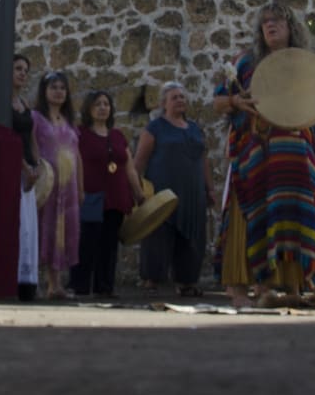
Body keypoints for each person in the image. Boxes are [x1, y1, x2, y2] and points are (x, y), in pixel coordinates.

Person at [213, 3, 315, 309]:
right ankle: (240, 288)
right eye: (265, 22)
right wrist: (235, 101)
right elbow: (218, 102)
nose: (270, 25)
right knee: (249, 215)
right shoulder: (245, 62)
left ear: (291, 27)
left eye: (277, 20)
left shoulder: (305, 66)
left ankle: (283, 285)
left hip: (294, 155)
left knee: (292, 214)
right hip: (254, 153)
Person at [134, 83, 214, 298]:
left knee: (192, 236)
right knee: (158, 235)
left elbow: (203, 159)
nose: (180, 100)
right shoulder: (154, 128)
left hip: (192, 193)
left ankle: (187, 281)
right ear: (164, 103)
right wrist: (136, 189)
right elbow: (139, 161)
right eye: (174, 97)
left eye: (182, 97)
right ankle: (152, 280)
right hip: (163, 193)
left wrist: (209, 188)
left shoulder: (195, 129)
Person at [72, 89, 142, 298]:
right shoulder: (80, 134)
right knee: (87, 242)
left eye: (106, 104)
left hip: (116, 196)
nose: (102, 108)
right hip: (91, 195)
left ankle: (105, 286)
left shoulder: (117, 136)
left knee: (109, 244)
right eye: (97, 104)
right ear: (89, 109)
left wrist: (138, 192)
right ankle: (80, 286)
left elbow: (129, 166)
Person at [31, 70, 82, 300]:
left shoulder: (69, 121)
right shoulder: (36, 118)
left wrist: (80, 187)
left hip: (67, 187)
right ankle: (33, 280)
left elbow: (77, 155)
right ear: (44, 91)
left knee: (61, 231)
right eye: (53, 87)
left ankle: (55, 284)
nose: (58, 92)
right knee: (42, 227)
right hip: (47, 184)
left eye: (62, 88)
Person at [10, 53, 40, 302]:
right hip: (13, 170)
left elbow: (31, 139)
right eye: (18, 68)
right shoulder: (3, 104)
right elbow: (10, 139)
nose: (22, 73)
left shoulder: (24, 104)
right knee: (17, 225)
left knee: (29, 227)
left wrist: (36, 166)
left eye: (25, 70)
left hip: (29, 171)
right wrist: (24, 168)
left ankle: (27, 281)